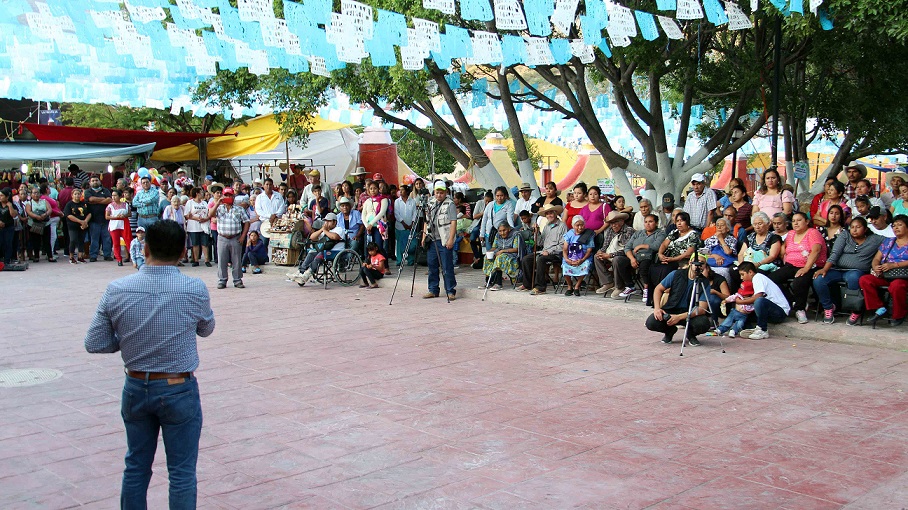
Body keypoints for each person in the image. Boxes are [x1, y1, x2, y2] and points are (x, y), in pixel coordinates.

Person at [84, 219, 215, 509]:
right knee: (181, 472)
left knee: (136, 466)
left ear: (144, 247)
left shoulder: (117, 288)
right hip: (178, 387)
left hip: (135, 385)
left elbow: (94, 342)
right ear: (183, 251)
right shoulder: (194, 288)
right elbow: (206, 329)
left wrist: (130, 339)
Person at [812, 216, 883, 324]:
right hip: (837, 269)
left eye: (858, 227)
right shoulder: (845, 235)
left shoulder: (875, 239)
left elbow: (894, 240)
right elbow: (835, 253)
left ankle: (856, 310)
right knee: (819, 279)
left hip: (856, 271)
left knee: (853, 278)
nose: (854, 230)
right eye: (852, 227)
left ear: (865, 229)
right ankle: (828, 307)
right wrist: (825, 269)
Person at [768, 212, 827, 324]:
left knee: (799, 281)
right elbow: (784, 249)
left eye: (799, 220)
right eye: (794, 221)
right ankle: (792, 301)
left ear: (807, 221)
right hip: (791, 265)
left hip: (810, 266)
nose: (795, 223)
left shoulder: (813, 233)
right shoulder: (790, 234)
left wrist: (806, 268)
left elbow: (816, 251)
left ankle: (800, 309)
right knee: (770, 280)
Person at [858, 215, 908, 327]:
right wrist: (876, 266)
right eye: (894, 226)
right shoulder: (888, 242)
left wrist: (894, 265)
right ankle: (879, 308)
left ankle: (899, 314)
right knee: (865, 279)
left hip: (904, 277)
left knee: (897, 286)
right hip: (886, 275)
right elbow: (876, 258)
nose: (896, 228)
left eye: (900, 225)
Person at [645, 263, 713, 345]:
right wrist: (657, 308)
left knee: (703, 323)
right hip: (672, 309)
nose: (698, 266)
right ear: (690, 263)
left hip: (690, 313)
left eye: (702, 263)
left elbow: (702, 309)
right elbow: (658, 289)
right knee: (651, 322)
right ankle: (670, 331)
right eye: (696, 263)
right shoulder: (676, 274)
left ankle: (690, 334)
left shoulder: (704, 282)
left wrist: (679, 317)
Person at [614, 214, 665, 302]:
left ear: (656, 223)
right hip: (635, 257)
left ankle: (646, 288)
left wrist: (641, 246)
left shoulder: (660, 233)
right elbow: (627, 247)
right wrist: (632, 259)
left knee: (645, 263)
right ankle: (630, 286)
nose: (647, 224)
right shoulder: (638, 233)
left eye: (650, 222)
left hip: (650, 257)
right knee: (619, 260)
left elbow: (657, 246)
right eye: (646, 222)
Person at [518, 204, 567, 295]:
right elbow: (540, 243)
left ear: (555, 213)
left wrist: (549, 251)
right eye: (547, 214)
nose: (549, 215)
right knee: (526, 259)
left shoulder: (562, 226)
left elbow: (563, 245)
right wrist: (537, 232)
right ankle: (527, 284)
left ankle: (540, 287)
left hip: (556, 253)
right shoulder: (547, 226)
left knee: (541, 259)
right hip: (544, 252)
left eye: (551, 213)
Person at [422, 180, 458, 300]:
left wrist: (451, 239)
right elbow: (426, 221)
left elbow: (453, 222)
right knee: (432, 266)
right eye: (437, 192)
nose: (439, 195)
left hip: (444, 239)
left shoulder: (450, 204)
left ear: (445, 192)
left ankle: (450, 290)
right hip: (432, 239)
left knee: (447, 266)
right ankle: (433, 289)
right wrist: (423, 237)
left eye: (441, 193)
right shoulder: (430, 202)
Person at [735, 262, 790, 339]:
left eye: (742, 274)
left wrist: (740, 302)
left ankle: (762, 330)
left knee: (759, 301)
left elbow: (758, 297)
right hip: (769, 312)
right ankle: (751, 329)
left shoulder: (758, 277)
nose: (741, 278)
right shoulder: (756, 279)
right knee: (744, 312)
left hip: (780, 312)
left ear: (750, 272)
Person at [650, 211, 699, 293]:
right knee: (653, 268)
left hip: (682, 261)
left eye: (682, 221)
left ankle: (665, 294)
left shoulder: (693, 234)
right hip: (668, 259)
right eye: (677, 221)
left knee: (665, 269)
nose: (679, 223)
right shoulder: (674, 232)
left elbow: (689, 253)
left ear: (687, 222)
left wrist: (672, 259)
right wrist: (660, 254)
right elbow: (664, 244)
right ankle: (654, 296)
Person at [289, 213, 344, 285]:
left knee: (321, 254)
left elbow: (334, 237)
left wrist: (325, 231)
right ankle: (300, 272)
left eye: (329, 221)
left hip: (335, 252)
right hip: (325, 250)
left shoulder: (339, 229)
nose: (326, 223)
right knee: (312, 252)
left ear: (334, 222)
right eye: (325, 221)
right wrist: (322, 230)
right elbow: (312, 237)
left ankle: (308, 273)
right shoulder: (325, 230)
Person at [214, 187, 250, 289]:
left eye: (230, 195)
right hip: (222, 237)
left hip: (235, 237)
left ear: (233, 197)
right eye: (226, 195)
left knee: (237, 260)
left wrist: (243, 236)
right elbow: (210, 214)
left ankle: (237, 280)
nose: (228, 197)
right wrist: (218, 202)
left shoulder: (239, 209)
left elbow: (246, 222)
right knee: (222, 260)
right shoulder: (219, 208)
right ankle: (222, 280)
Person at [593, 211, 635, 297]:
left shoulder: (629, 230)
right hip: (610, 254)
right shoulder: (610, 230)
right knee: (596, 257)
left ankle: (619, 286)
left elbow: (627, 249)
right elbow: (605, 245)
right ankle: (608, 282)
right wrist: (601, 252)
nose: (613, 225)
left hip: (626, 256)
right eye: (611, 223)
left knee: (617, 259)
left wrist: (610, 255)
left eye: (615, 222)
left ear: (622, 221)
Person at [561, 216, 595, 296]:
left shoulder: (588, 234)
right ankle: (569, 286)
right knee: (565, 265)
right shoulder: (569, 234)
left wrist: (582, 260)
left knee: (585, 265)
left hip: (583, 257)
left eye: (582, 225)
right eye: (577, 225)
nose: (580, 227)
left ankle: (577, 286)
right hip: (570, 256)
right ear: (573, 226)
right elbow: (565, 249)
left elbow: (589, 250)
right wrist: (567, 259)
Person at [481, 223, 520, 291]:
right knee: (487, 258)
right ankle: (489, 282)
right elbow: (494, 247)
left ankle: (498, 283)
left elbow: (516, 249)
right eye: (500, 231)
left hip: (512, 255)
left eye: (504, 230)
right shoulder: (497, 235)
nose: (502, 233)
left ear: (509, 229)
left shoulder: (515, 234)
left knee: (500, 258)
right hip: (499, 253)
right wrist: (489, 252)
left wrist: (502, 251)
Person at [84, 175, 114, 261]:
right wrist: (103, 200)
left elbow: (109, 200)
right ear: (90, 183)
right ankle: (93, 256)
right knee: (94, 239)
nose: (95, 182)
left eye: (96, 180)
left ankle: (107, 255)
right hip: (93, 219)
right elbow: (91, 199)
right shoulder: (87, 191)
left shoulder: (106, 190)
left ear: (99, 181)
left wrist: (96, 201)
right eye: (93, 181)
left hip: (105, 219)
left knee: (107, 238)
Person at [480, 186, 516, 253]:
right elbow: (484, 219)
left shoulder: (509, 204)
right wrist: (482, 233)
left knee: (498, 253)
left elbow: (510, 218)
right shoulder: (490, 205)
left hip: (501, 234)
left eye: (501, 195)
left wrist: (512, 232)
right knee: (489, 254)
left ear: (505, 196)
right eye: (497, 196)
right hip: (489, 233)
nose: (499, 198)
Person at [254, 178, 286, 245]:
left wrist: (275, 216)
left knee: (277, 245)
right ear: (263, 185)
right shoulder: (259, 197)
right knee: (263, 245)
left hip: (277, 223)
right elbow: (259, 210)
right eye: (267, 184)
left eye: (270, 184)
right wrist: (270, 216)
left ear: (273, 185)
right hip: (264, 224)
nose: (269, 186)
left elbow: (282, 207)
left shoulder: (278, 195)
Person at [184, 188, 211, 267]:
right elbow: (187, 215)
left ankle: (207, 260)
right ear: (197, 193)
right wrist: (197, 218)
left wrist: (205, 219)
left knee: (205, 243)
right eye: (201, 192)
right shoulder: (190, 202)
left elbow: (208, 212)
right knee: (195, 244)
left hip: (204, 225)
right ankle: (196, 260)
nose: (202, 193)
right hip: (194, 226)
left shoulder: (204, 203)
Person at [362, 181, 390, 257]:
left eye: (375, 188)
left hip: (378, 226)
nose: (373, 190)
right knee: (368, 247)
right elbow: (363, 214)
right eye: (371, 189)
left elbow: (382, 212)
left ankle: (384, 265)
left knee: (379, 246)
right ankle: (369, 264)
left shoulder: (383, 199)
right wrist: (367, 225)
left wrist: (371, 224)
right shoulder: (367, 201)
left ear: (378, 189)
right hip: (368, 227)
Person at [63, 188, 91, 264]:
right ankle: (71, 257)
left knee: (81, 240)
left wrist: (85, 221)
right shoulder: (69, 204)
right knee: (73, 240)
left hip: (83, 225)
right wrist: (80, 221)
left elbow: (89, 213)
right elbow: (68, 215)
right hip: (72, 225)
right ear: (72, 195)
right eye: (75, 194)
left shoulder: (84, 203)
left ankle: (80, 256)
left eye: (78, 194)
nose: (77, 195)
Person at [106, 189, 132, 266]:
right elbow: (107, 217)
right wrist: (115, 217)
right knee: (116, 242)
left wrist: (124, 216)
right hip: (114, 225)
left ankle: (134, 257)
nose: (113, 197)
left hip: (124, 223)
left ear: (120, 196)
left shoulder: (125, 204)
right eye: (112, 195)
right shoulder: (110, 206)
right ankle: (119, 259)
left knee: (128, 241)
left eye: (115, 195)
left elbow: (129, 214)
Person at [25, 186, 51, 263]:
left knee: (47, 240)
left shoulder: (44, 201)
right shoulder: (29, 203)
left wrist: (45, 215)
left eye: (37, 193)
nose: (36, 194)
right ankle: (36, 256)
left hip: (45, 223)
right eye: (34, 193)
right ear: (31, 194)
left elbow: (50, 209)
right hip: (34, 224)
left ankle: (50, 256)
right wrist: (37, 216)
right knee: (36, 241)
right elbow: (28, 212)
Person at [470, 190, 492, 267]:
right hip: (478, 224)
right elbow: (474, 216)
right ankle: (477, 256)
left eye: (489, 201)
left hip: (487, 226)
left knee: (481, 241)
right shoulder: (479, 203)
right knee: (472, 239)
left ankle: (480, 259)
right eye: (486, 201)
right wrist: (484, 212)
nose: (487, 203)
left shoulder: (492, 205)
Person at [0, 188, 18, 264]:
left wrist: (10, 206)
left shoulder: (13, 205)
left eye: (2, 196)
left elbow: (14, 215)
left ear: (7, 197)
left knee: (8, 243)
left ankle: (7, 260)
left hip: (9, 227)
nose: (0, 197)